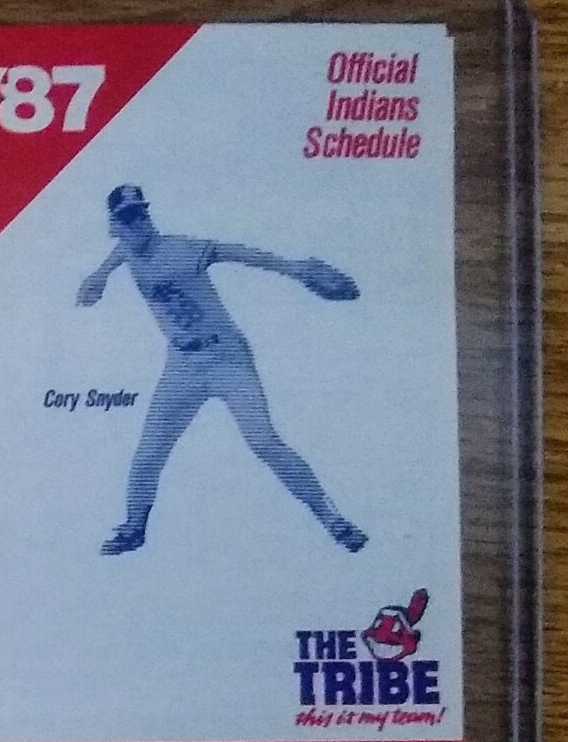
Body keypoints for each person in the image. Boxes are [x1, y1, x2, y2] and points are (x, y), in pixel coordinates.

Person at [76, 184, 366, 556]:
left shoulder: (179, 249)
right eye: (128, 217)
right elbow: (121, 253)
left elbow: (231, 252)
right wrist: (98, 275)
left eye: (141, 214)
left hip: (227, 359)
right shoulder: (127, 249)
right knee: (148, 455)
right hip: (182, 367)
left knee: (263, 442)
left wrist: (293, 268)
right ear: (114, 226)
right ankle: (133, 529)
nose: (138, 223)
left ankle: (334, 520)